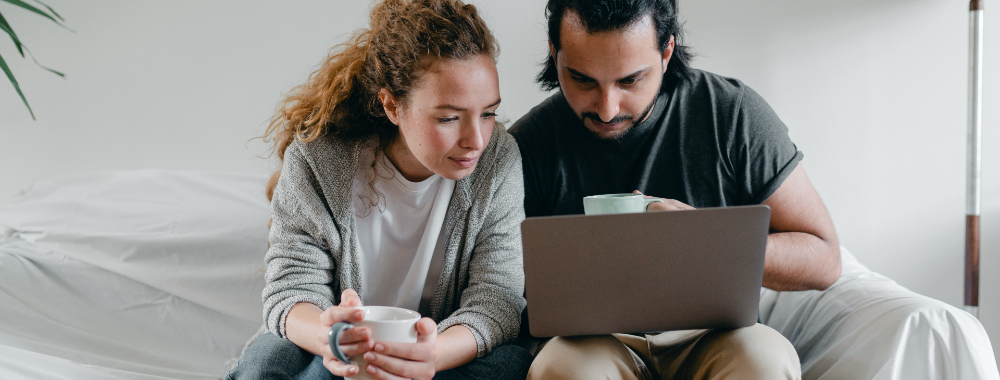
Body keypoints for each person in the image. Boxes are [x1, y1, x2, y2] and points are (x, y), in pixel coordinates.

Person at [511, 1, 1000, 379]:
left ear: (667, 51)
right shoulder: (528, 144)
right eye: (580, 80)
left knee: (764, 359)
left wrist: (705, 242)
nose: (607, 106)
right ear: (555, 54)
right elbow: (499, 277)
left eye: (631, 80)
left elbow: (823, 256)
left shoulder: (730, 115)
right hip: (592, 338)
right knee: (565, 370)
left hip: (713, 332)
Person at [224, 1, 532, 379]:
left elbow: (497, 299)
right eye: (449, 117)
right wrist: (332, 337)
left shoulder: (498, 160)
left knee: (508, 366)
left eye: (488, 113)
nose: (476, 140)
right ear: (392, 105)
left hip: (444, 348)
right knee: (270, 364)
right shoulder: (318, 158)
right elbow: (291, 289)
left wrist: (431, 354)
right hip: (332, 345)